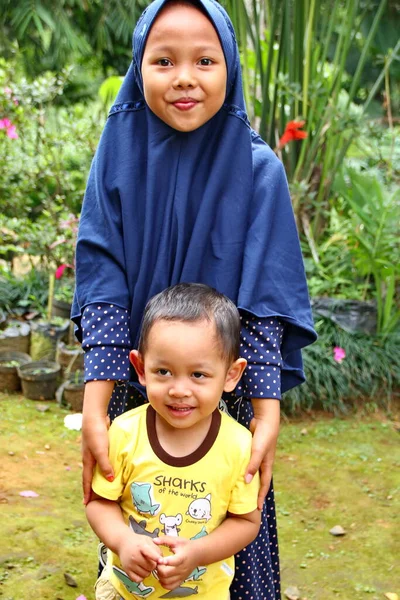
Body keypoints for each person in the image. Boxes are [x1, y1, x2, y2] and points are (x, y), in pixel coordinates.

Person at [73, 0, 317, 598]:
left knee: (229, 552)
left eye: (205, 60)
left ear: (230, 66)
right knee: (137, 555)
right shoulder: (118, 156)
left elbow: (263, 303)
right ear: (139, 68)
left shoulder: (259, 170)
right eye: (164, 60)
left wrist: (265, 416)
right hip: (143, 394)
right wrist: (97, 408)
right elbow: (103, 281)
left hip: (221, 402)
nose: (185, 76)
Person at [86, 283, 261, 600]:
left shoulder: (239, 446)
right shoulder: (124, 434)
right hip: (124, 592)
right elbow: (99, 502)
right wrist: (124, 541)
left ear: (231, 375)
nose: (179, 390)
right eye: (163, 371)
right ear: (141, 368)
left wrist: (197, 553)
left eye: (198, 375)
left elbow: (246, 522)